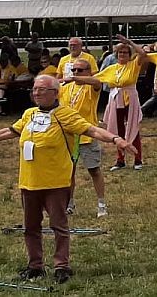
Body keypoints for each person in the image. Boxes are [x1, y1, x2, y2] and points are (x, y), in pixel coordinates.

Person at [0, 75, 135, 284]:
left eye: (42, 89)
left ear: (55, 93)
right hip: (29, 181)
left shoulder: (65, 115)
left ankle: (62, 266)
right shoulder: (29, 114)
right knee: (30, 226)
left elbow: (91, 129)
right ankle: (35, 266)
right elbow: (11, 131)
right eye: (35, 89)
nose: (36, 93)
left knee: (59, 226)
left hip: (55, 182)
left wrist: (116, 139)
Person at [83, 37, 146, 171]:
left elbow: (142, 53)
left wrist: (129, 42)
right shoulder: (111, 68)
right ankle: (120, 159)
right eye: (120, 52)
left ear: (129, 55)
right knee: (118, 130)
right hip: (116, 99)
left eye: (125, 52)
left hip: (130, 98)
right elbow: (94, 79)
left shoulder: (133, 65)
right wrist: (73, 79)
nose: (122, 55)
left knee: (133, 128)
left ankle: (138, 158)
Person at [58, 59, 107, 217]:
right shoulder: (66, 88)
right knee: (68, 172)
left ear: (88, 71)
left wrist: (73, 78)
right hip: (68, 136)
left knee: (94, 170)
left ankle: (101, 204)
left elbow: (97, 82)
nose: (76, 73)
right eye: (73, 70)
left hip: (87, 135)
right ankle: (69, 203)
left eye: (80, 70)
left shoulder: (91, 87)